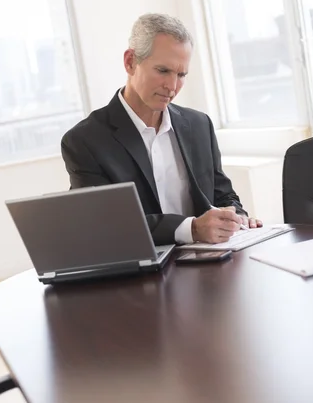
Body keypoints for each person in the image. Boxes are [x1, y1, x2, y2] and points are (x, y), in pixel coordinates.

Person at [61, 13, 262, 245]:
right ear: (130, 62)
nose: (172, 86)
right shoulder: (85, 141)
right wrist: (193, 229)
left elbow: (222, 194)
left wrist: (235, 217)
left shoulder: (199, 125)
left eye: (181, 74)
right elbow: (107, 225)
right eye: (163, 71)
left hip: (210, 262)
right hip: (141, 273)